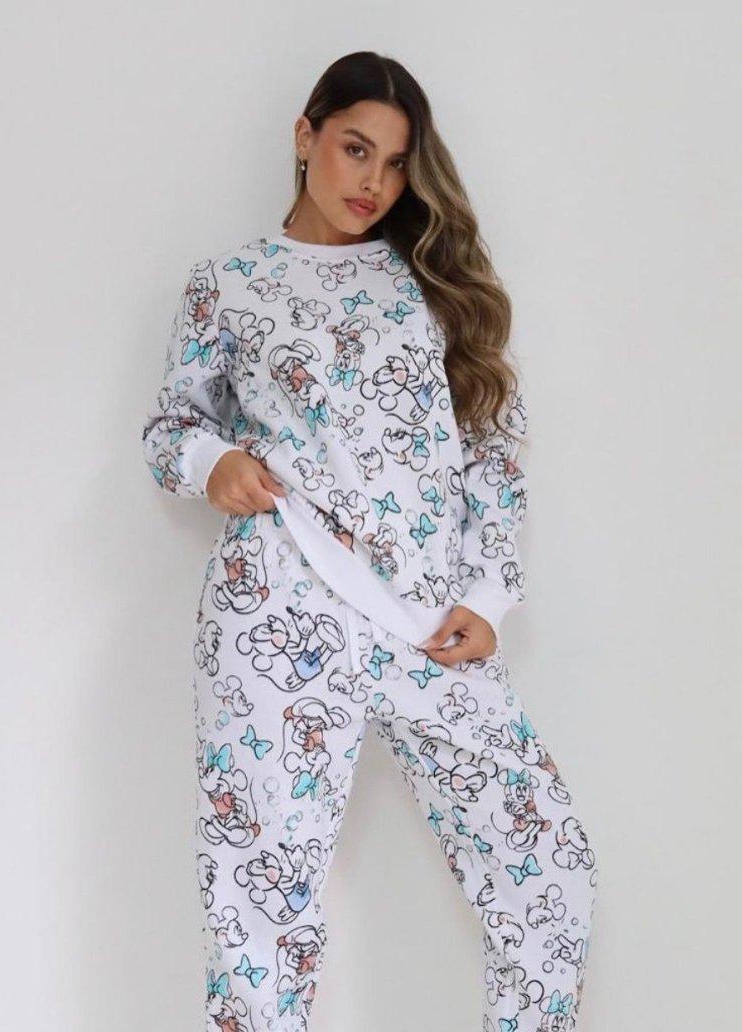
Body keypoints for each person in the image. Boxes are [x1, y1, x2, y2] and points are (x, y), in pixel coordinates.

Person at [142, 50, 599, 1032]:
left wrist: (489, 592)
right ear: (305, 136)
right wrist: (212, 460)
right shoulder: (229, 284)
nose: (373, 182)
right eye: (355, 149)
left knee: (547, 870)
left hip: (429, 620)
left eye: (394, 163)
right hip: (278, 608)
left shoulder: (429, 281)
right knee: (263, 901)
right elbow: (170, 426)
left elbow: (492, 445)